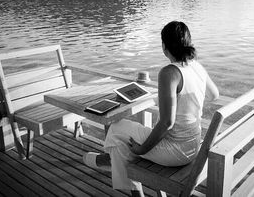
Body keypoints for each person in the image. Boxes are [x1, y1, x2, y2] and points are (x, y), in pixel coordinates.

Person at [83, 21, 219, 197]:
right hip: (193, 147)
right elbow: (214, 95)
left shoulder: (169, 72)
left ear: (164, 46)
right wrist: (186, 102)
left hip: (175, 152)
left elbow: (167, 123)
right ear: (188, 43)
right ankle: (111, 162)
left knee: (116, 129)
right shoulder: (197, 67)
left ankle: (110, 164)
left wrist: (142, 150)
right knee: (122, 141)